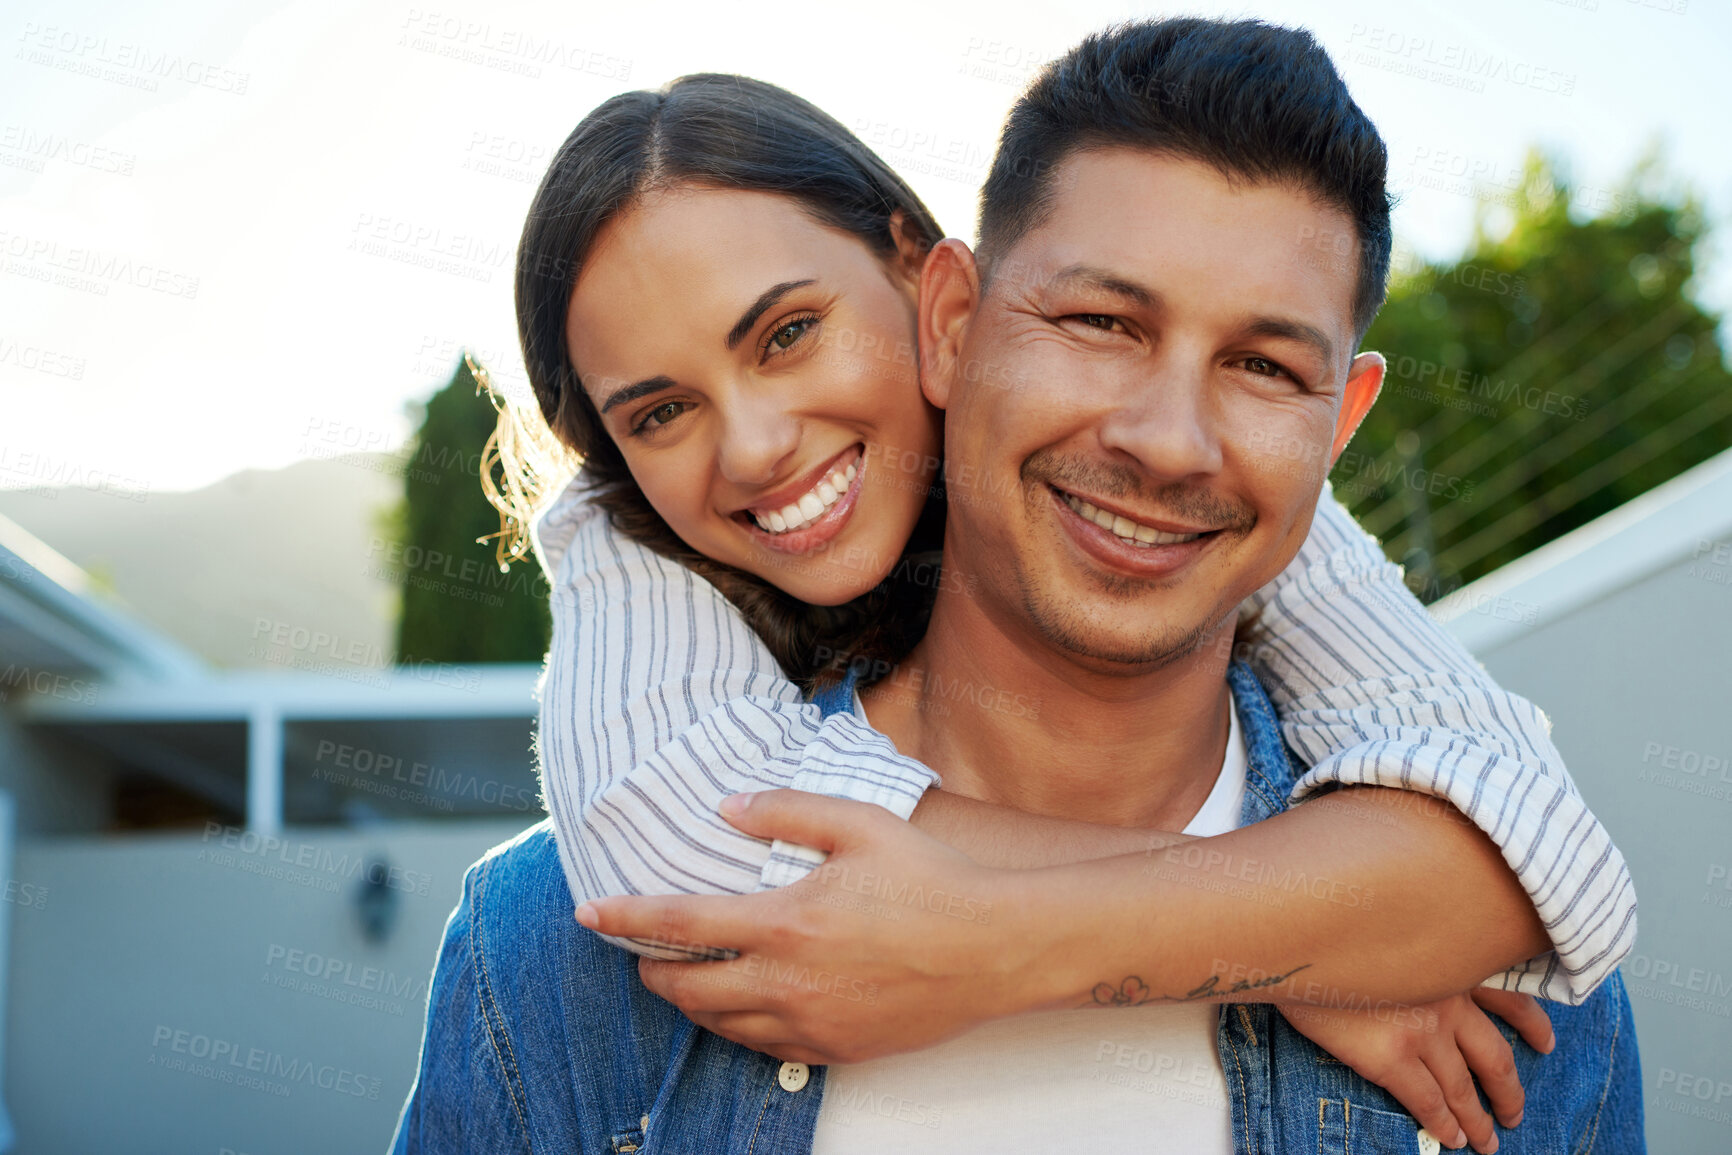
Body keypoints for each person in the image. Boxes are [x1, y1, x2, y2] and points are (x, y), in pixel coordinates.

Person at [396, 18, 1640, 1153]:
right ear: (957, 320)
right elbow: (665, 835)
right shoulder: (555, 947)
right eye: (1102, 322)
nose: (1169, 441)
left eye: (1263, 364)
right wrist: (1288, 957)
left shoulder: (1490, 1010)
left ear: (1338, 419)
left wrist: (1013, 942)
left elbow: (1543, 861)